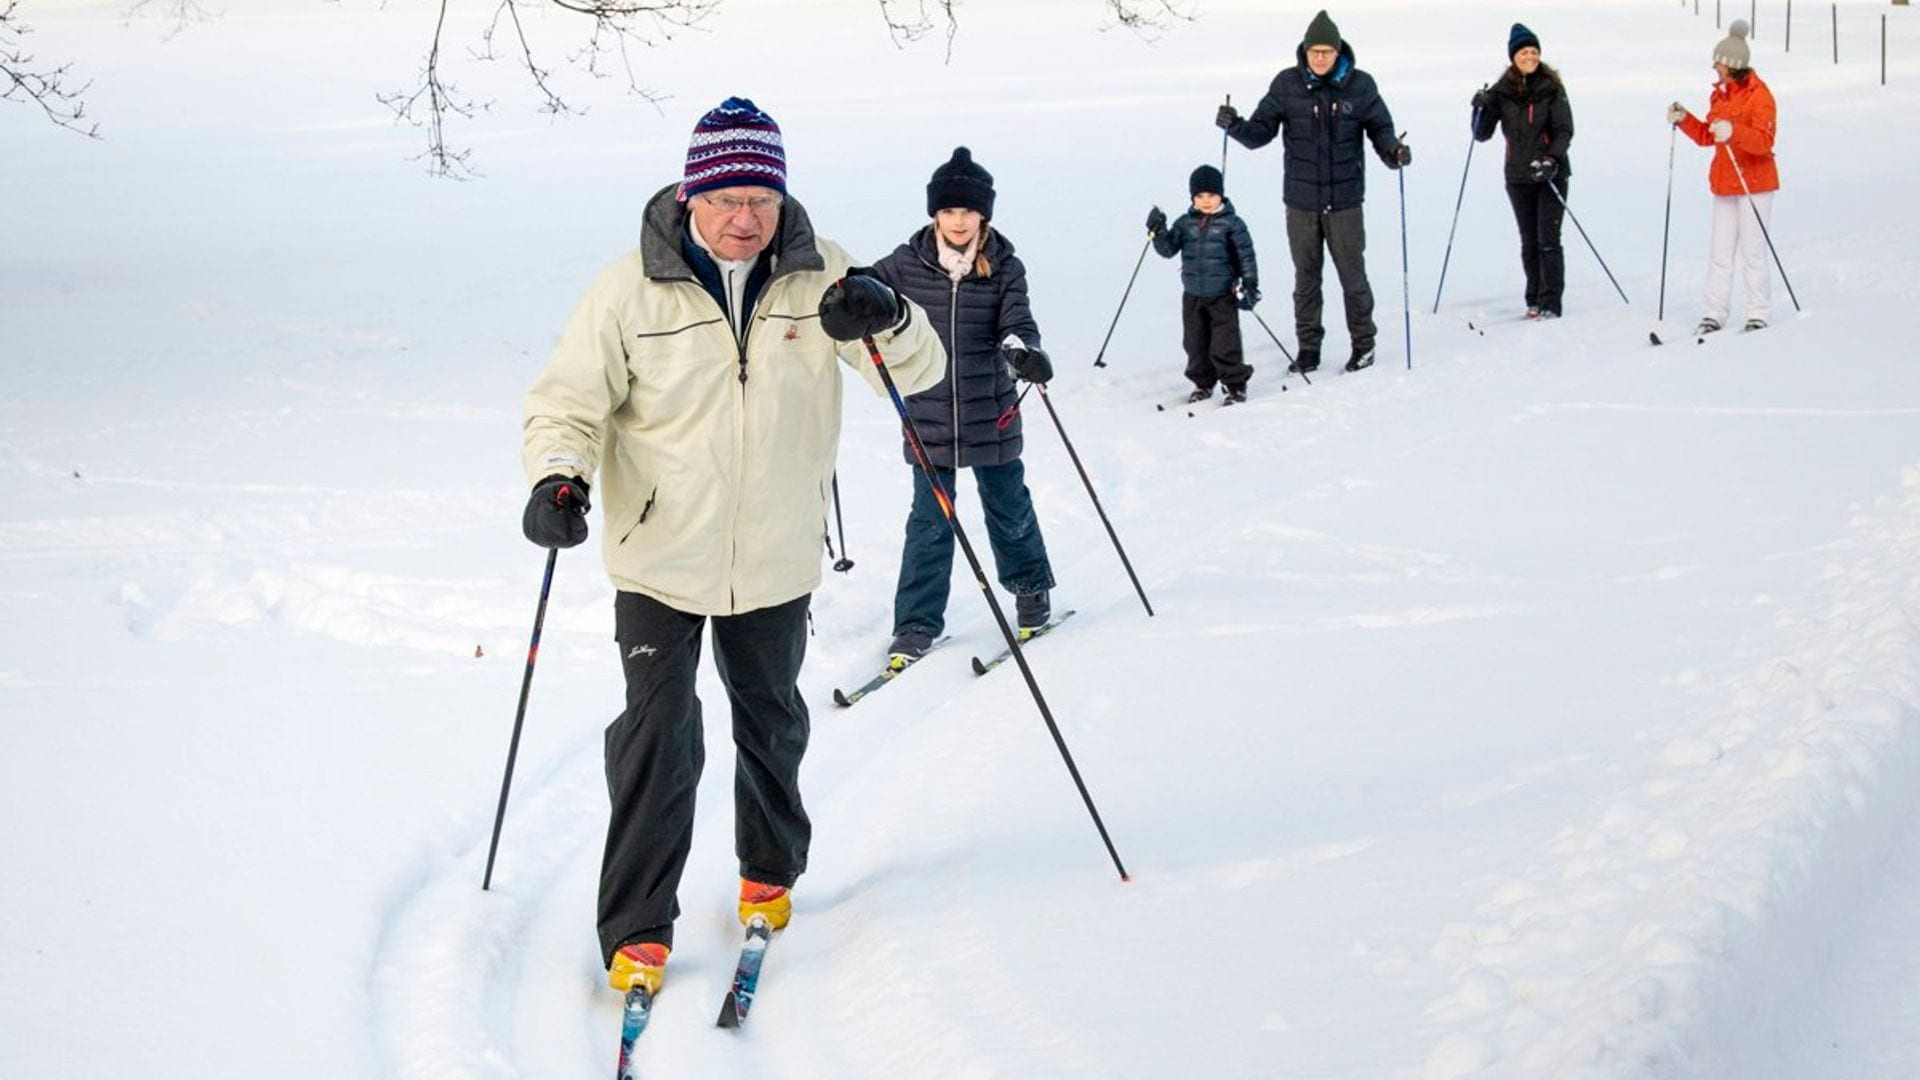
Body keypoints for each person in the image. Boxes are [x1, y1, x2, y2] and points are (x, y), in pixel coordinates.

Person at [519, 96, 945, 999]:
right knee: (659, 733)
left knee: (771, 722)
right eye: (727, 200)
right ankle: (637, 925)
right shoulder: (627, 289)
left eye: (761, 198)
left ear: (781, 199)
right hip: (659, 555)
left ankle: (769, 869)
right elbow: (568, 400)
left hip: (776, 553)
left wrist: (891, 318)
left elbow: (918, 373)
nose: (745, 218)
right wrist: (559, 478)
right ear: (691, 195)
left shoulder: (821, 275)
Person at [872, 147, 1057, 666]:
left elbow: (1017, 319)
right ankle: (915, 623)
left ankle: (1030, 591)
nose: (958, 220)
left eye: (967, 211)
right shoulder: (906, 264)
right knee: (929, 523)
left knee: (1008, 507)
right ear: (935, 214)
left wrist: (1023, 352)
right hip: (927, 413)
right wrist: (848, 296)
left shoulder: (1003, 265)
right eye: (949, 210)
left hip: (990, 409)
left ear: (983, 215)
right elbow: (869, 286)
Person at [1215, 8, 1410, 374]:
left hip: (1346, 202)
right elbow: (1260, 133)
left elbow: (1381, 130)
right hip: (1301, 203)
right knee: (1306, 280)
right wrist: (1235, 125)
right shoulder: (1286, 85)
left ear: (1339, 52)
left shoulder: (1361, 85)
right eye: (1314, 51)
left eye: (1327, 51)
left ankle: (1363, 345)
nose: (1320, 57)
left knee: (1353, 277)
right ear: (1304, 52)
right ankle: (1308, 349)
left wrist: (1394, 154)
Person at [1668, 19, 1778, 336]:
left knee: (1753, 251)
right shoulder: (1720, 95)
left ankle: (1759, 311)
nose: (1714, 67)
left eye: (1718, 62)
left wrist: (1735, 132)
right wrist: (1684, 120)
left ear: (1732, 65)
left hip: (1755, 183)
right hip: (1725, 182)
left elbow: (1763, 142)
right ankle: (1714, 313)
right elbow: (1708, 136)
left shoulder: (1760, 96)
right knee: (1720, 253)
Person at [1471, 23, 1574, 320]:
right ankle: (1534, 298)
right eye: (1524, 52)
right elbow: (1482, 134)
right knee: (1529, 241)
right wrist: (1479, 108)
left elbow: (1565, 129)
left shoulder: (1552, 87)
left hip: (1550, 175)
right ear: (1513, 56)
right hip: (1517, 177)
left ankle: (1551, 302)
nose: (1530, 56)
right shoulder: (1502, 92)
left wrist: (1552, 160)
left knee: (1548, 239)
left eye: (1534, 51)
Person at [1145, 164, 1261, 404]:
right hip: (1193, 294)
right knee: (1195, 343)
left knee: (1224, 343)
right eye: (1200, 196)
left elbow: (1246, 256)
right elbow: (1168, 250)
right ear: (1192, 197)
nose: (1206, 201)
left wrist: (1249, 283)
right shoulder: (1185, 223)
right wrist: (1158, 231)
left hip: (1223, 295)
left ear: (1221, 195)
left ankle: (1235, 386)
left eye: (1211, 195)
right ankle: (1203, 383)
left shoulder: (1232, 224)